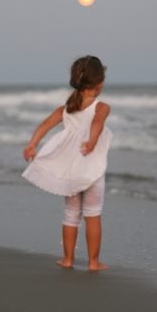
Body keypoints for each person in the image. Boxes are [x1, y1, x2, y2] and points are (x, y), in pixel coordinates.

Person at [22, 56, 112, 271]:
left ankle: (68, 259)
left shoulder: (66, 108)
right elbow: (97, 123)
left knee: (71, 215)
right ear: (99, 83)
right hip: (92, 172)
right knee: (93, 215)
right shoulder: (102, 106)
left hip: (70, 172)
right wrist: (91, 141)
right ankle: (93, 262)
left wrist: (32, 144)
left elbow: (45, 125)